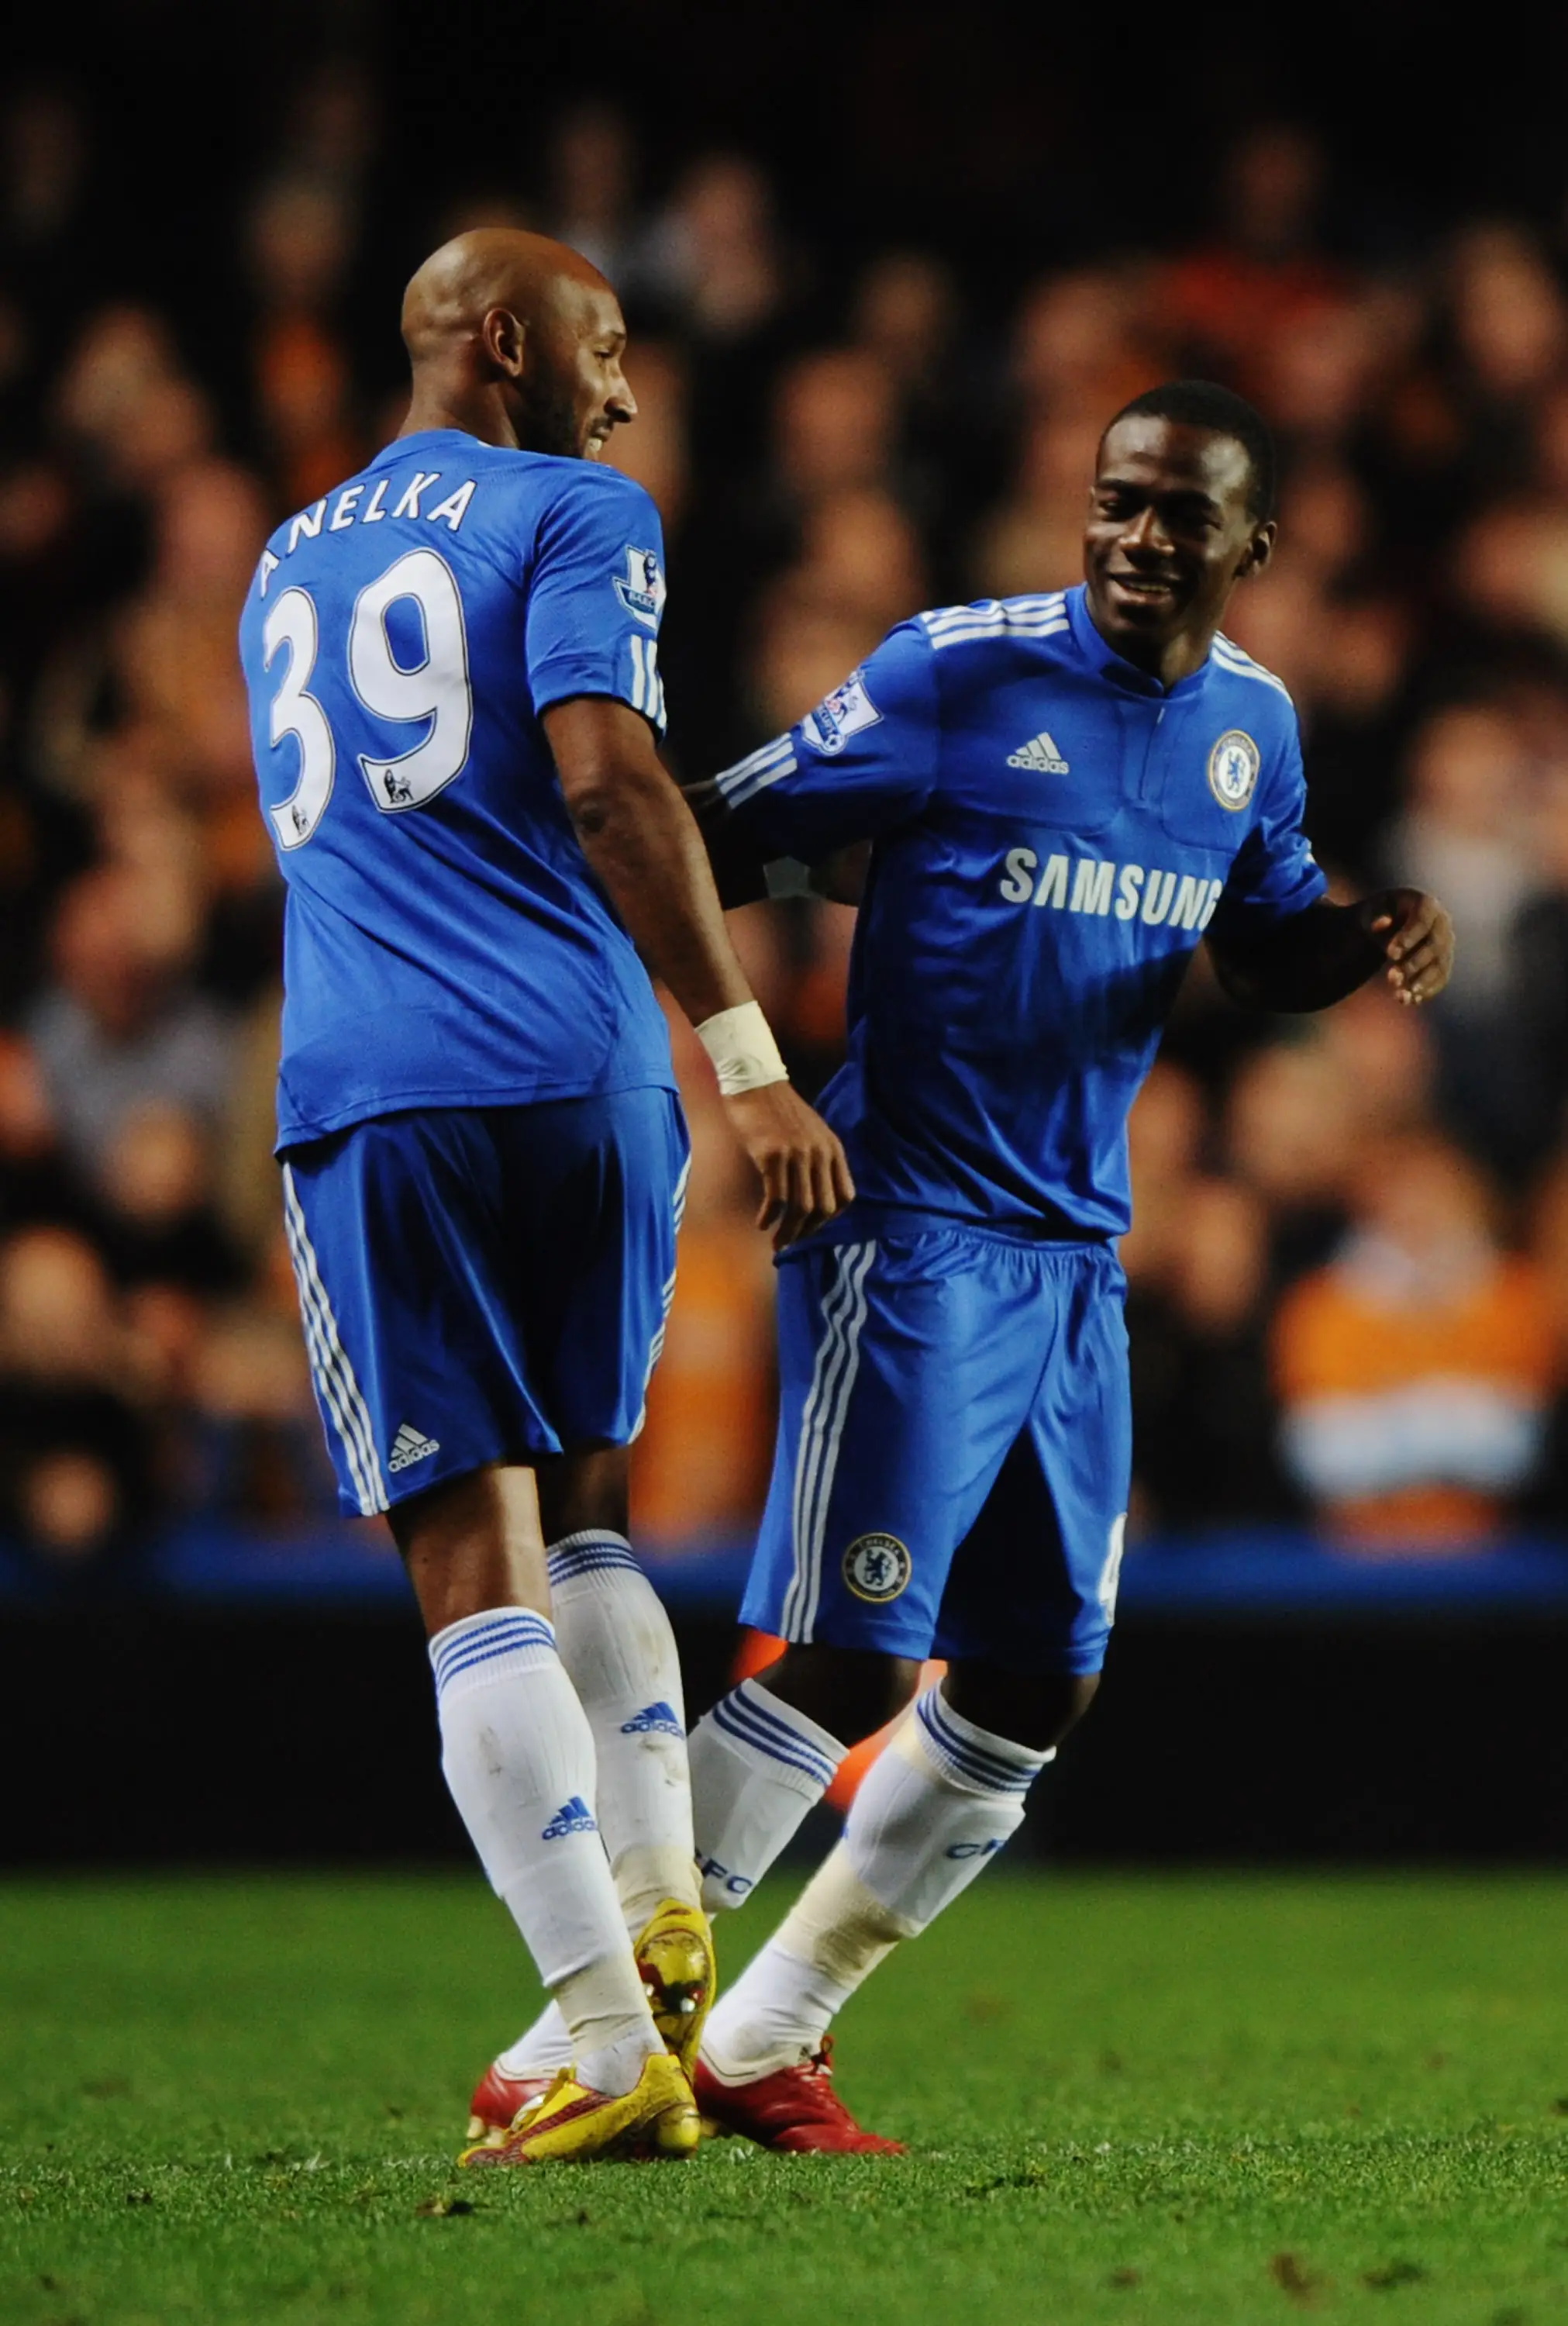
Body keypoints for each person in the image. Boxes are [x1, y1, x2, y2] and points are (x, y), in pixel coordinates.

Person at [472, 379, 1454, 2152]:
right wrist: (735, 1057)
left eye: (1180, 516)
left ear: (1255, 546)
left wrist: (1359, 935)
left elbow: (1261, 941)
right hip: (907, 1228)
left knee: (1032, 1680)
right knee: (850, 1656)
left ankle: (767, 2033)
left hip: (1077, 1255)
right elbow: (725, 827)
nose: (1142, 541)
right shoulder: (955, 672)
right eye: (1118, 504)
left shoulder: (1252, 727)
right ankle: (581, 2029)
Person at [237, 229, 851, 2168]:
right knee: (587, 1498)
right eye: (604, 345)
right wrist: (745, 1060)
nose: (628, 389)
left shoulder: (284, 556)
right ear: (506, 340)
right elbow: (607, 781)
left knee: (461, 1558)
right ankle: (665, 1895)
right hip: (585, 1078)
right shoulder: (579, 508)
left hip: (383, 1087)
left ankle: (600, 2030)